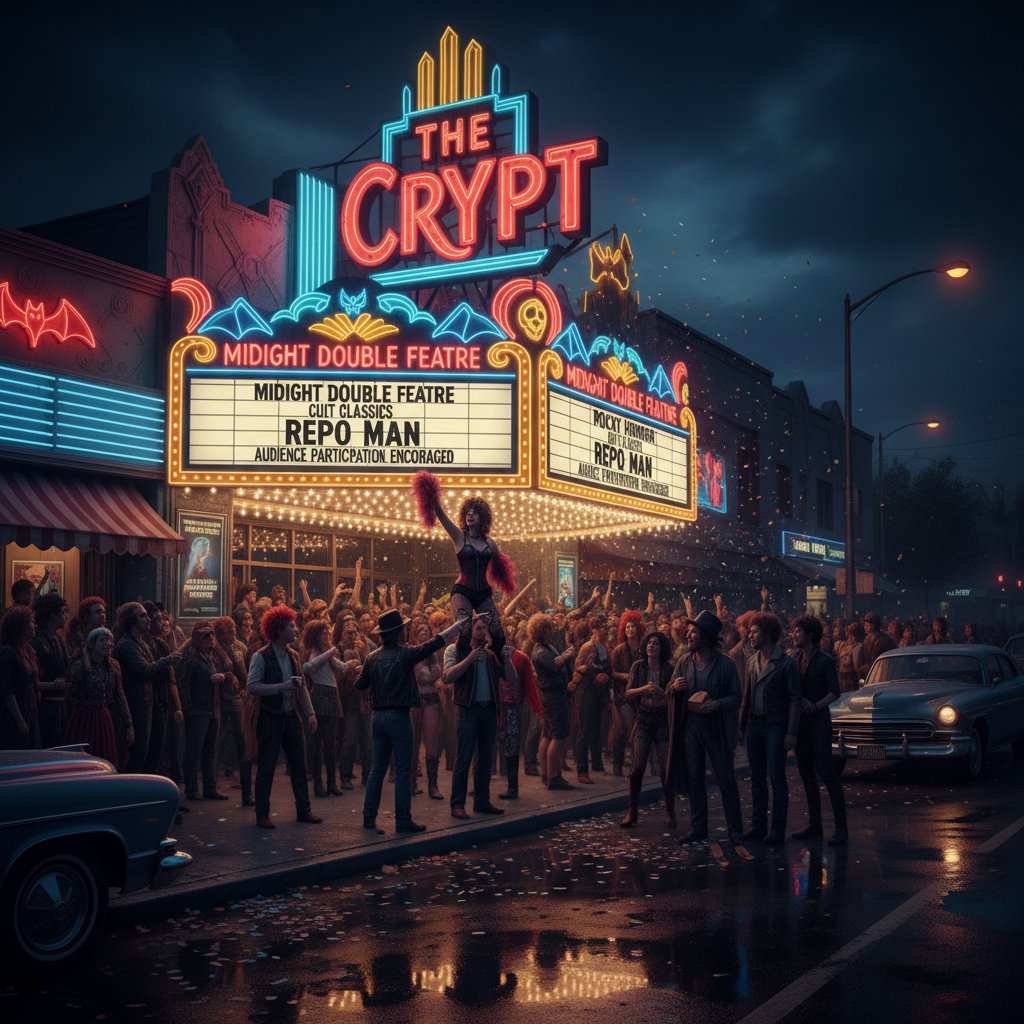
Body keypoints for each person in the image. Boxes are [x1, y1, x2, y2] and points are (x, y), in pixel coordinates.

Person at [358, 608, 462, 833]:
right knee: (404, 770)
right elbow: (435, 642)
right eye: (403, 629)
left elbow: (359, 684)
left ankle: (368, 818)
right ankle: (402, 819)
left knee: (378, 769)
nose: (406, 632)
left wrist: (367, 672)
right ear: (398, 633)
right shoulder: (405, 654)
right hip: (398, 717)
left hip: (378, 718)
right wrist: (460, 624)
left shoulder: (371, 657)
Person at [412, 472, 517, 653]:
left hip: (483, 593)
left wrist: (506, 585)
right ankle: (462, 671)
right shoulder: (459, 537)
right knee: (465, 630)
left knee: (498, 635)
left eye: (475, 512)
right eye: (468, 511)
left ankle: (493, 669)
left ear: (482, 517)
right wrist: (430, 492)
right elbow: (441, 515)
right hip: (462, 591)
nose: (470, 514)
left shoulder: (490, 543)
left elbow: (501, 568)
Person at [666, 611, 744, 844]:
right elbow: (670, 687)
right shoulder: (683, 662)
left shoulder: (725, 664)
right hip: (691, 729)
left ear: (707, 637)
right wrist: (675, 687)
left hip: (716, 729)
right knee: (695, 780)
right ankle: (698, 828)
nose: (688, 635)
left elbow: (736, 696)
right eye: (689, 631)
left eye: (694, 632)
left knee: (726, 779)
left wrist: (717, 704)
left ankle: (735, 830)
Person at [247, 605, 322, 828]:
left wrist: (310, 713)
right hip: (270, 717)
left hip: (291, 717)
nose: (295, 629)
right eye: (291, 626)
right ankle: (262, 813)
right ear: (279, 629)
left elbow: (301, 688)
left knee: (299, 765)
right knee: (267, 766)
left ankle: (304, 810)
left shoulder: (293, 655)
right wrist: (281, 687)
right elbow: (252, 687)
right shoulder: (260, 656)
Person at [444, 614, 517, 819]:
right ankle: (457, 804)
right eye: (479, 628)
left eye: (485, 628)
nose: (483, 632)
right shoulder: (455, 649)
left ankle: (482, 801)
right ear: (469, 630)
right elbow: (447, 676)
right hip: (468, 710)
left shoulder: (492, 654)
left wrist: (508, 658)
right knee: (464, 758)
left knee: (485, 758)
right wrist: (470, 658)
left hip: (488, 710)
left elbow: (510, 678)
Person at [739, 612, 801, 844]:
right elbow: (746, 697)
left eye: (754, 631)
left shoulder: (786, 664)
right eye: (750, 631)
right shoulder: (751, 662)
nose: (750, 635)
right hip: (755, 725)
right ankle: (758, 827)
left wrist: (792, 732)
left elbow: (795, 699)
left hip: (776, 726)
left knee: (776, 777)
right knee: (756, 778)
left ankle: (777, 829)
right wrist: (741, 726)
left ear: (767, 634)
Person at [790, 616, 848, 845]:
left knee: (827, 773)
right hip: (800, 724)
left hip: (819, 723)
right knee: (806, 775)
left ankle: (841, 829)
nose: (794, 635)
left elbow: (835, 692)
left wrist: (815, 706)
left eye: (798, 631)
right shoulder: (795, 659)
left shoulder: (824, 660)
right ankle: (815, 826)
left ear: (810, 635)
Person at [113, 602, 180, 772]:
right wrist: (167, 660)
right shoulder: (127, 645)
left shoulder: (142, 642)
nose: (148, 619)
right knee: (139, 753)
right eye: (143, 615)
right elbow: (143, 670)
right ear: (131, 620)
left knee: (152, 753)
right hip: (136, 705)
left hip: (149, 703)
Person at [619, 631, 674, 828]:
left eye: (656, 644)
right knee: (637, 767)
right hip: (643, 720)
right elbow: (628, 693)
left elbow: (673, 697)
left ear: (662, 649)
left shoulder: (668, 669)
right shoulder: (638, 666)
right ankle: (632, 811)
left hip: (662, 722)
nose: (651, 646)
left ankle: (670, 810)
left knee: (664, 768)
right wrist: (645, 688)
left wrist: (662, 693)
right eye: (649, 642)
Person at [64, 626, 132, 766]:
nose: (107, 644)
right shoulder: (80, 665)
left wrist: (128, 723)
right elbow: (70, 692)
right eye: (102, 640)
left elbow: (120, 694)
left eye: (109, 640)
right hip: (84, 718)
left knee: (104, 755)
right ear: (92, 644)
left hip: (103, 716)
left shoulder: (113, 666)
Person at [177, 621, 228, 801]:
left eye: (212, 636)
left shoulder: (213, 657)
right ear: (198, 639)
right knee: (194, 751)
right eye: (206, 637)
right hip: (198, 711)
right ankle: (191, 789)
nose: (210, 639)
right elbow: (184, 685)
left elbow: (227, 667)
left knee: (210, 751)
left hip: (213, 708)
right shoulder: (191, 659)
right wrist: (187, 708)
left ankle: (210, 788)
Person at [528, 612, 576, 791]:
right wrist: (567, 655)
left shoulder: (546, 647)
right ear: (542, 631)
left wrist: (564, 654)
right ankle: (553, 777)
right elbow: (555, 663)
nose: (553, 630)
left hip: (551, 695)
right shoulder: (540, 650)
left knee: (548, 734)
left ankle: (548, 774)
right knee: (558, 735)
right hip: (553, 697)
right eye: (549, 628)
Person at [301, 619, 346, 798]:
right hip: (320, 696)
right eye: (322, 633)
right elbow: (309, 667)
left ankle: (331, 783)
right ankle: (319, 784)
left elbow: (340, 667)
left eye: (327, 633)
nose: (325, 636)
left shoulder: (325, 653)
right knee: (318, 742)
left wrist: (351, 664)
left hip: (331, 696)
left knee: (331, 744)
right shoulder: (313, 652)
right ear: (314, 636)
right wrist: (330, 652)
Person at [214, 615, 251, 804]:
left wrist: (243, 688)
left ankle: (246, 787)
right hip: (221, 697)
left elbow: (243, 675)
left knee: (240, 739)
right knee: (218, 739)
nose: (233, 633)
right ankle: (212, 782)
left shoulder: (237, 649)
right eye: (230, 631)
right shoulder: (214, 650)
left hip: (234, 696)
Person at [570, 614, 612, 783]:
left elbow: (607, 669)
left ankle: (596, 763)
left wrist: (605, 676)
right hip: (585, 690)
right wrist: (594, 673)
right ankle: (582, 770)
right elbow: (578, 669)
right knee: (585, 729)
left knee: (595, 727)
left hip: (597, 691)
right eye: (603, 628)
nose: (606, 630)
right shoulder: (587, 647)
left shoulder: (603, 648)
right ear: (594, 631)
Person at [409, 619, 446, 800]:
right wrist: (433, 677)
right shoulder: (414, 652)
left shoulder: (434, 654)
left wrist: (432, 677)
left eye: (426, 630)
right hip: (416, 700)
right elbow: (425, 677)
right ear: (416, 635)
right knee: (413, 743)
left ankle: (433, 786)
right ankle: (411, 784)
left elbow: (435, 675)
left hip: (431, 699)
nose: (424, 632)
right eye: (420, 630)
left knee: (432, 744)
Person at [31, 593, 70, 748]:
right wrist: (52, 684)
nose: (64, 616)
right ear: (53, 615)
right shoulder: (36, 640)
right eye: (62, 612)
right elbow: (32, 679)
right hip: (45, 705)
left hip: (61, 702)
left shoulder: (58, 638)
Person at [0, 606, 41, 749]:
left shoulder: (25, 650)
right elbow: (6, 690)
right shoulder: (8, 652)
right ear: (21, 626)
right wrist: (19, 719)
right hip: (14, 714)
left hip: (29, 709)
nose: (34, 625)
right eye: (31, 622)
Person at [610, 610, 645, 777]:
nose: (630, 630)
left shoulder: (644, 649)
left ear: (639, 629)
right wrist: (624, 676)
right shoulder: (619, 650)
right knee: (623, 729)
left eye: (633, 627)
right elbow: (611, 672)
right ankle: (617, 764)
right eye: (627, 627)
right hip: (623, 695)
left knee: (637, 730)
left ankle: (635, 764)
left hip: (640, 695)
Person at [65, 596, 107, 664]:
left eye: (104, 612)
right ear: (86, 617)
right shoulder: (77, 639)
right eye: (97, 612)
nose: (102, 616)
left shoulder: (105, 636)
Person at [836, 621, 865, 692]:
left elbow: (857, 665)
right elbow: (857, 666)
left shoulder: (857, 646)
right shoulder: (843, 645)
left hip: (847, 679)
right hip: (846, 679)